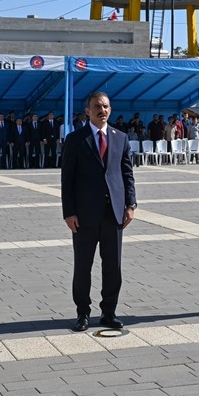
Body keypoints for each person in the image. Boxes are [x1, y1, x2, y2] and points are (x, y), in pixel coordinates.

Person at [60, 91, 136, 332]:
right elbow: (67, 179)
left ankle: (109, 312)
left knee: (113, 266)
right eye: (97, 107)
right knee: (83, 265)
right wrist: (69, 212)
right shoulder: (75, 139)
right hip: (84, 214)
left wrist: (130, 204)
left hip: (113, 212)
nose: (102, 110)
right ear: (88, 111)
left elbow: (127, 174)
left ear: (110, 110)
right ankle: (82, 312)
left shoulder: (120, 137)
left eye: (105, 106)